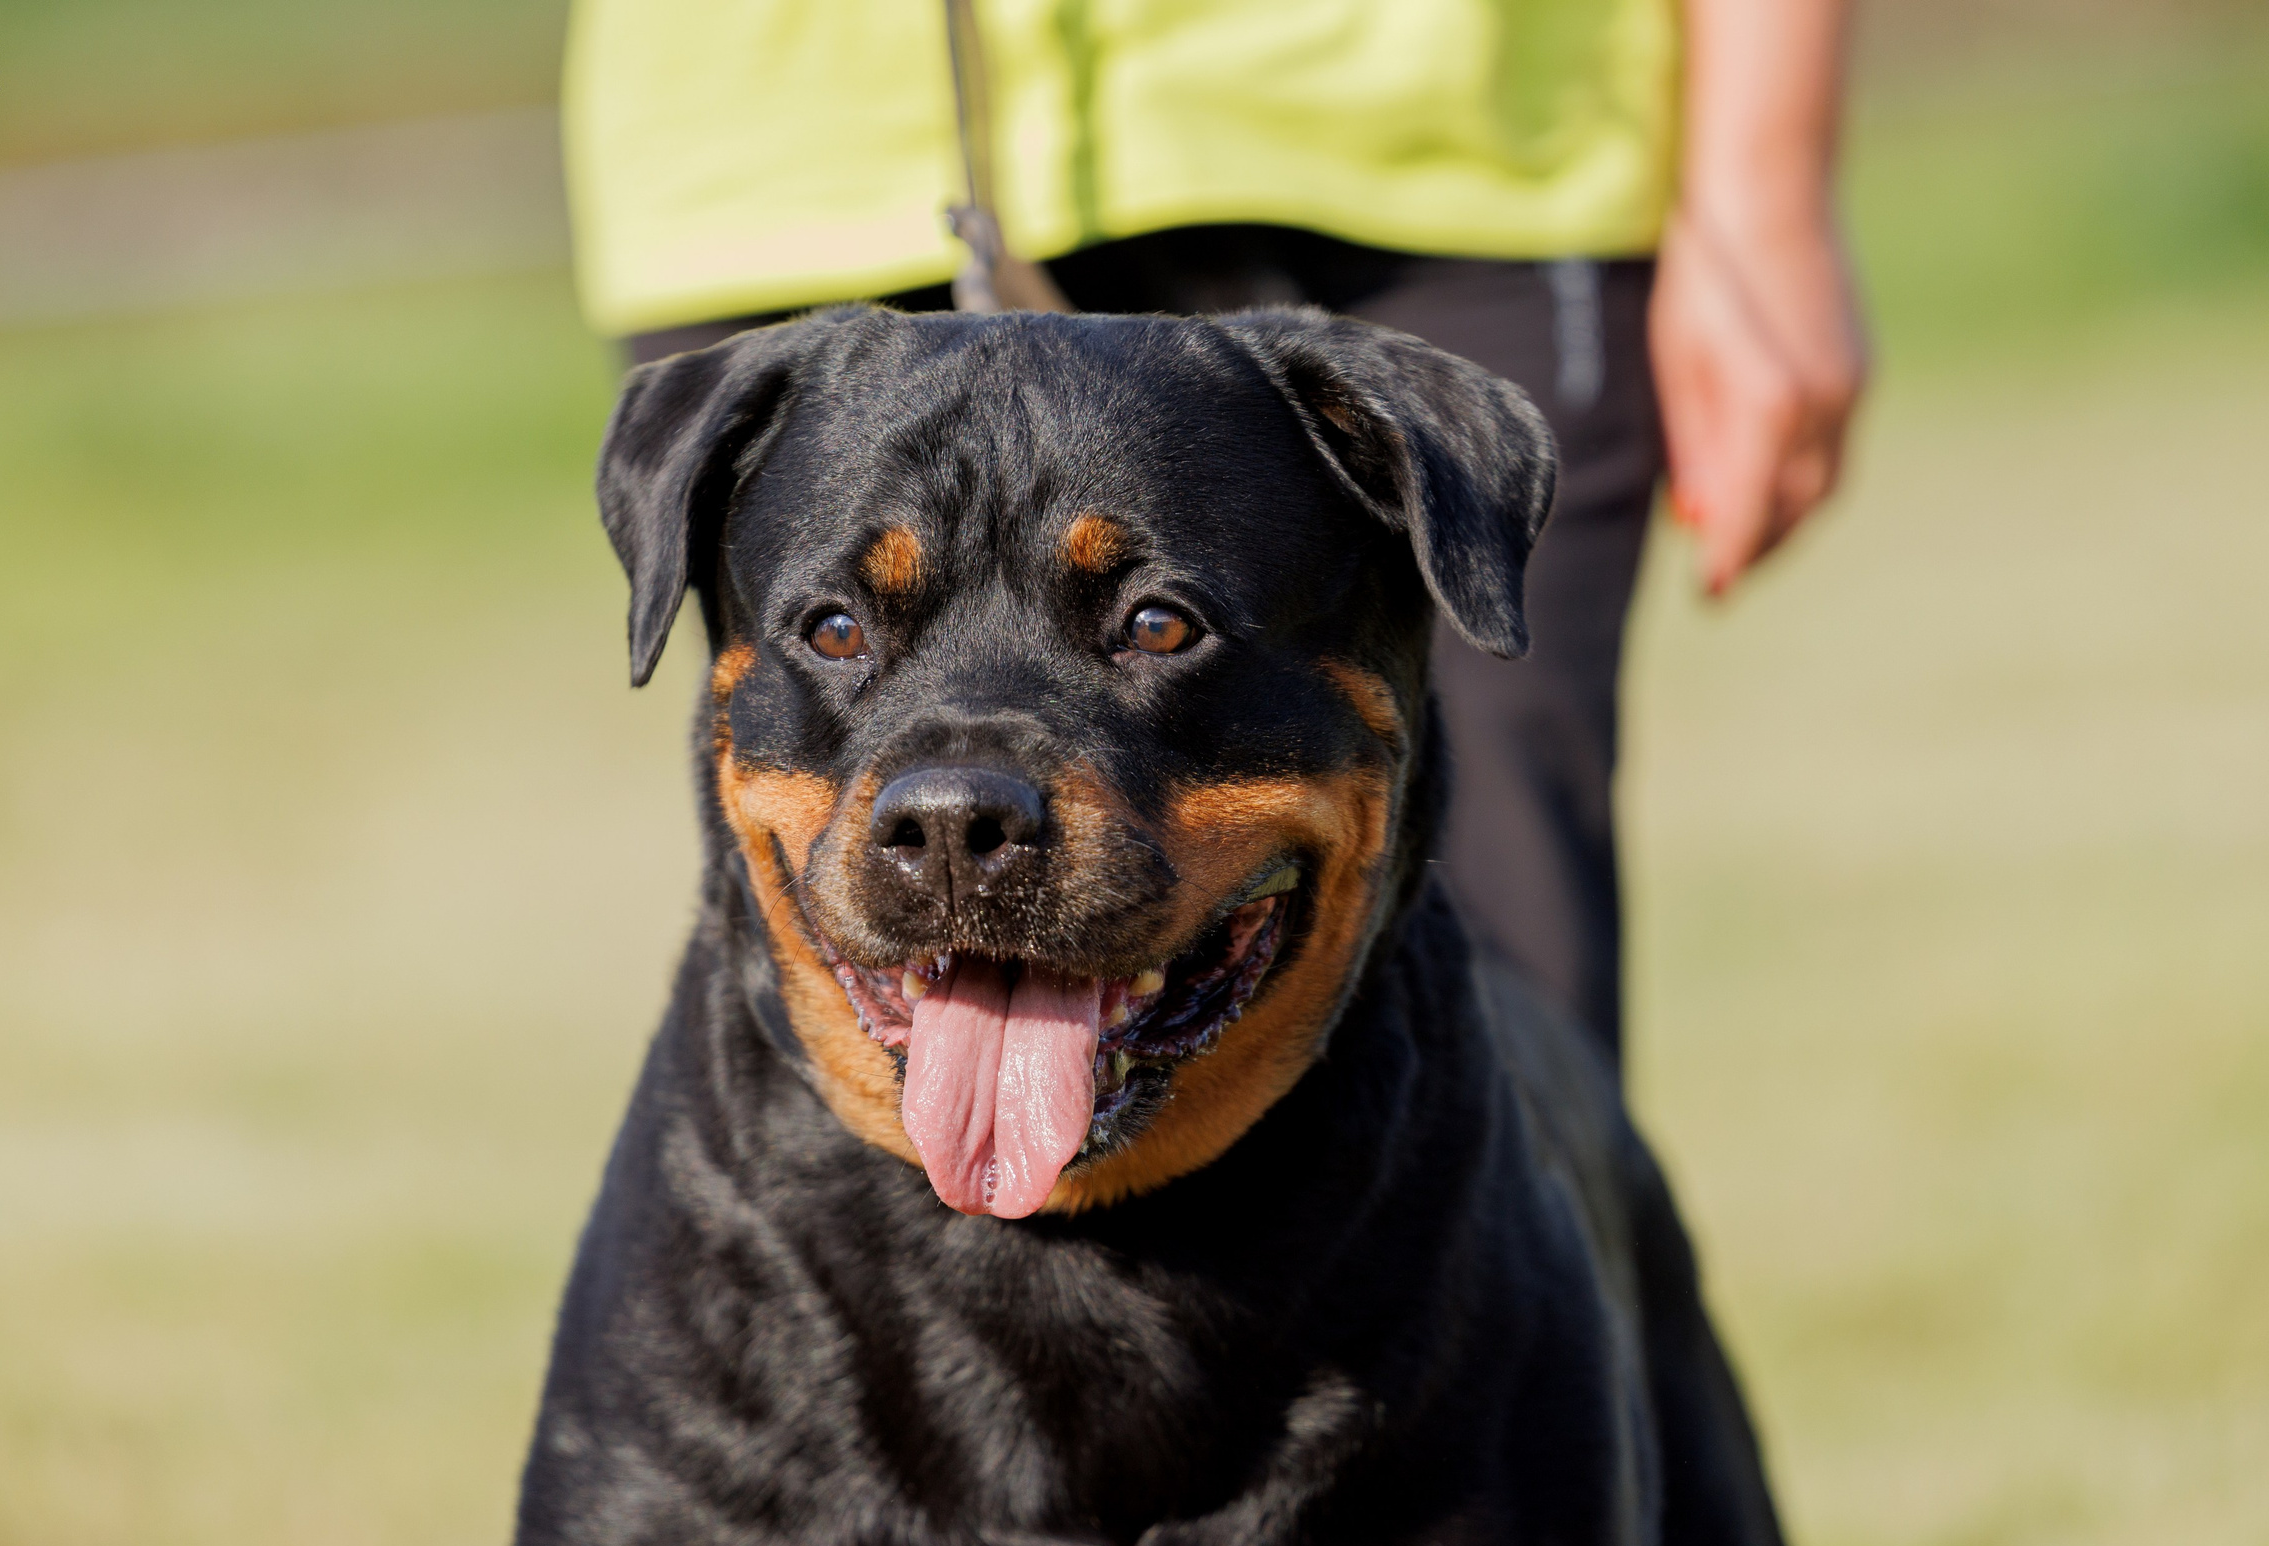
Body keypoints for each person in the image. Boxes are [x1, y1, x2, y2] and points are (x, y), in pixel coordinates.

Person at [560, 0, 1866, 1062]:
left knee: (1506, 983)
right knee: (857, 955)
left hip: (1432, 121)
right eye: (842, 625)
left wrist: (1766, 183)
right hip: (793, 120)